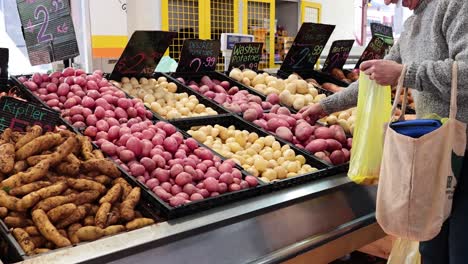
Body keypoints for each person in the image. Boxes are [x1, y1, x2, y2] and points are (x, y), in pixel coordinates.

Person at [301, 0, 468, 263]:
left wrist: (404, 72)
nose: (388, 2)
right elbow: (373, 79)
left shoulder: (455, 6)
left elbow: (466, 73)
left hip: (462, 150)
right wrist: (324, 107)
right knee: (431, 247)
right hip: (433, 151)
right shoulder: (412, 25)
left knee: (462, 248)